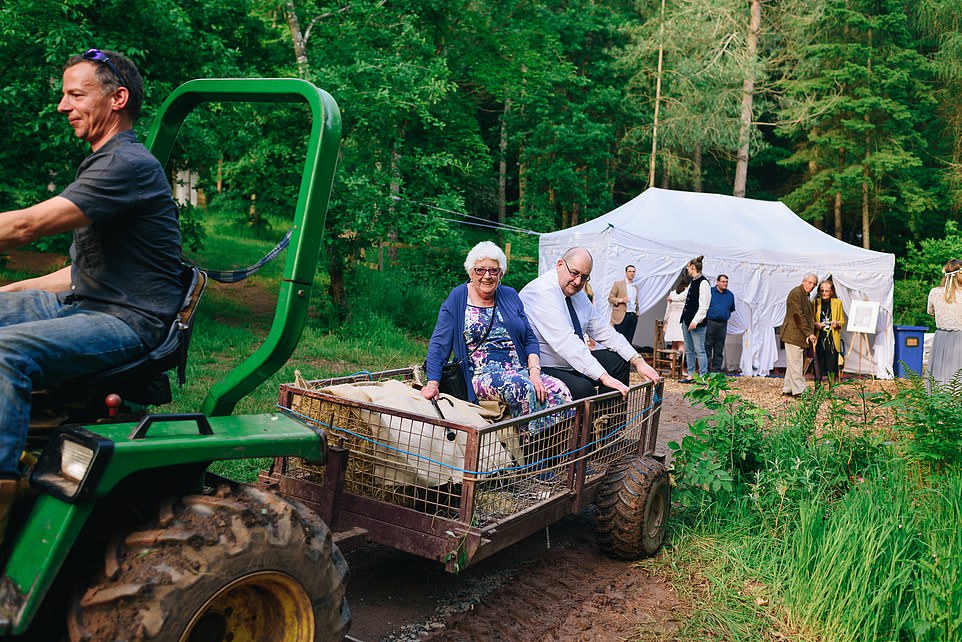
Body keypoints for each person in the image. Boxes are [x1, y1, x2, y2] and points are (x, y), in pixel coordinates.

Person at [0, 49, 183, 540]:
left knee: (5, 353)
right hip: (90, 301)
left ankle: (4, 494)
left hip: (129, 321)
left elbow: (25, 227)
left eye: (76, 94)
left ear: (117, 99)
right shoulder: (102, 161)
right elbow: (83, 270)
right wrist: (10, 292)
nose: (62, 105)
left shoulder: (127, 164)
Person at [421, 242, 571, 424]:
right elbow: (439, 344)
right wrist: (433, 383)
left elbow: (529, 338)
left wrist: (534, 373)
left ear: (501, 273)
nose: (487, 276)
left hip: (519, 370)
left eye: (493, 271)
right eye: (480, 270)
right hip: (479, 375)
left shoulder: (510, 295)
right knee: (520, 388)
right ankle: (531, 445)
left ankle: (557, 444)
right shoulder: (458, 298)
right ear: (470, 272)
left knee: (559, 389)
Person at [519, 247, 660, 400]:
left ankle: (608, 423)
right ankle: (589, 422)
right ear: (560, 265)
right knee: (584, 389)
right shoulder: (542, 291)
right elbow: (567, 342)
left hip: (570, 363)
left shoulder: (576, 293)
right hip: (545, 366)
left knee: (618, 361)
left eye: (584, 277)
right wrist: (604, 376)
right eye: (574, 273)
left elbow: (603, 329)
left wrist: (637, 360)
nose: (578, 281)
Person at [779, 273, 818, 397]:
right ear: (803, 281)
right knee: (796, 363)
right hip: (793, 334)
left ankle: (788, 388)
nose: (811, 286)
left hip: (797, 334)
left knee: (793, 362)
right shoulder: (797, 293)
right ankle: (799, 391)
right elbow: (798, 316)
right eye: (809, 282)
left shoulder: (804, 295)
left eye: (814, 284)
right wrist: (809, 333)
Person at [926, 259, 962, 385]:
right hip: (960, 338)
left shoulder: (934, 292)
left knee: (939, 374)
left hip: (941, 338)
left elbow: (930, 312)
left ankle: (939, 402)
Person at [679, 256, 711, 383]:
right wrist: (673, 297)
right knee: (689, 349)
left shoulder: (704, 283)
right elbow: (686, 296)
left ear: (693, 268)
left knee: (700, 350)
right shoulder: (693, 282)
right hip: (686, 320)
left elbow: (704, 306)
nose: (687, 269)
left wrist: (695, 321)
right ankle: (691, 374)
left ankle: (703, 376)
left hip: (696, 323)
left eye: (688, 267)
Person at [812, 278, 847, 384]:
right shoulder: (815, 303)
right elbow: (810, 320)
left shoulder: (837, 303)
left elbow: (842, 321)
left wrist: (837, 324)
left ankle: (831, 391)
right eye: (822, 290)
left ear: (832, 291)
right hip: (819, 339)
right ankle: (817, 390)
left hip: (832, 340)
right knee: (818, 366)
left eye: (827, 291)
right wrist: (815, 324)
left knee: (832, 366)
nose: (824, 293)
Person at [705, 274, 735, 374]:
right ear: (717, 282)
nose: (725, 283)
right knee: (707, 346)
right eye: (723, 281)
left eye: (726, 282)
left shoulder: (730, 295)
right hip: (710, 322)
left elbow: (731, 309)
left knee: (719, 348)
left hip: (723, 324)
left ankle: (716, 370)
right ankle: (706, 370)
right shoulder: (710, 292)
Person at [664, 270, 690, 376]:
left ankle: (672, 368)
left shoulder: (672, 293)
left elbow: (667, 310)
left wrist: (666, 321)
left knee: (674, 345)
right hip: (681, 320)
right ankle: (680, 369)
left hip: (672, 320)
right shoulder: (687, 294)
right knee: (682, 345)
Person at [608, 265, 640, 345]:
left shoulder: (635, 286)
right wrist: (621, 300)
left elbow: (636, 301)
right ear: (626, 273)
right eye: (630, 271)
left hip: (633, 316)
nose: (632, 273)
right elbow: (610, 298)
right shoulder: (618, 284)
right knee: (619, 341)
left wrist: (637, 312)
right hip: (622, 316)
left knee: (629, 342)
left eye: (633, 271)